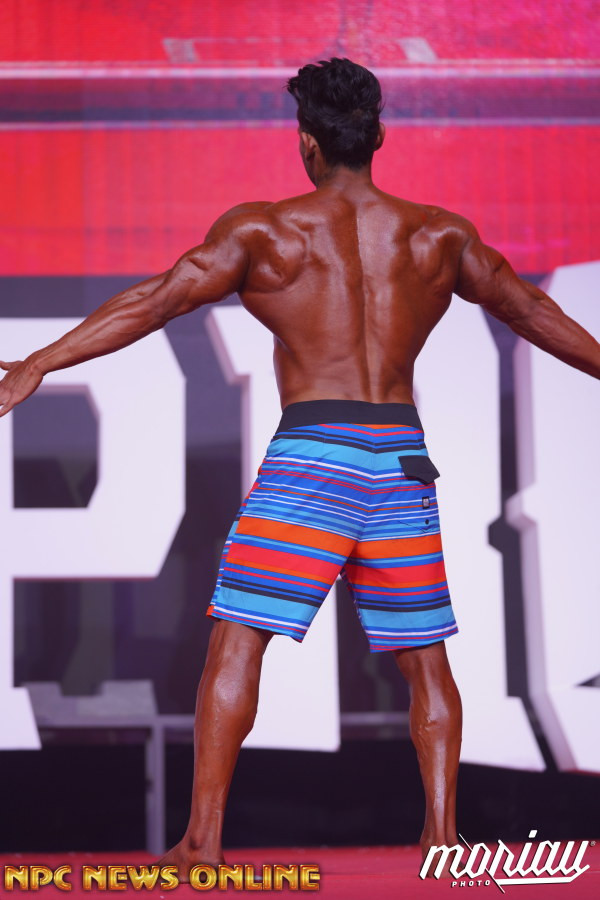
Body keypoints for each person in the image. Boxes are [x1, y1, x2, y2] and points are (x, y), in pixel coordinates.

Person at [1, 58, 598, 878]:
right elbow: (531, 309)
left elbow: (156, 299)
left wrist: (40, 361)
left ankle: (203, 842)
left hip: (316, 454)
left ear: (307, 143)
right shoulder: (439, 236)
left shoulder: (268, 233)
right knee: (426, 656)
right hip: (400, 459)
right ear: (377, 135)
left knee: (238, 640)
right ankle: (442, 838)